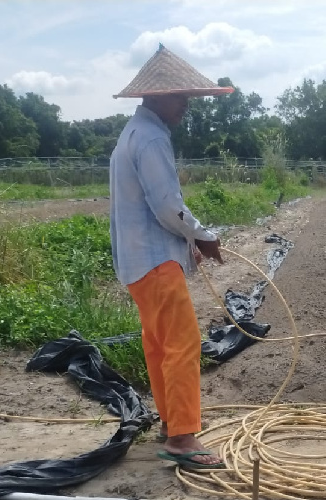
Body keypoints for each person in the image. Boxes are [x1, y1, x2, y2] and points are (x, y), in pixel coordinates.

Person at [109, 44, 234, 469]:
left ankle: (171, 423)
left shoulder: (132, 135)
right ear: (159, 97)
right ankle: (183, 439)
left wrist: (187, 244)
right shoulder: (151, 138)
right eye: (182, 98)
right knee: (182, 345)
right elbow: (167, 206)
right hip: (155, 262)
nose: (186, 107)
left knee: (160, 347)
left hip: (139, 263)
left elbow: (153, 209)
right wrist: (203, 237)